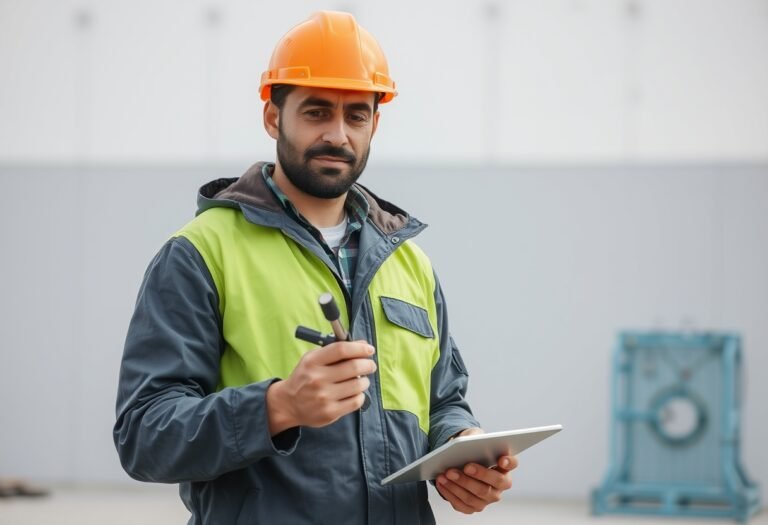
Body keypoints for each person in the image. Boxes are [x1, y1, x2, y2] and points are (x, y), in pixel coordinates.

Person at [114, 11, 517, 524]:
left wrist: (463, 448)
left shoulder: (408, 262)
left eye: (356, 116)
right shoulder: (202, 254)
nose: (338, 135)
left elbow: (443, 402)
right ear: (272, 117)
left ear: (375, 123)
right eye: (316, 112)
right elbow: (144, 436)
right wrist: (278, 407)